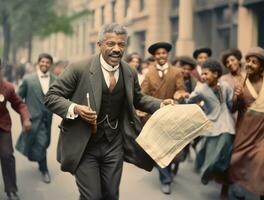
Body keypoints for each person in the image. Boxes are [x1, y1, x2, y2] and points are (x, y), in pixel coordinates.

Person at [44, 23, 173, 200]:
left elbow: (138, 98)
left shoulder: (129, 72)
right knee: (93, 196)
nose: (116, 49)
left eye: (121, 44)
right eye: (111, 44)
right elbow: (51, 96)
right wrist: (75, 108)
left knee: (111, 195)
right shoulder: (79, 68)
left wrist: (160, 104)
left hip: (114, 144)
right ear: (99, 45)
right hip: (84, 144)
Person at [178, 59, 235, 199]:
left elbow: (229, 104)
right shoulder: (200, 89)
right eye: (202, 74)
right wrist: (182, 96)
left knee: (224, 150)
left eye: (206, 73)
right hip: (211, 124)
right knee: (205, 152)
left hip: (226, 122)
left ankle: (222, 182)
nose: (202, 76)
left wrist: (237, 99)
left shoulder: (225, 86)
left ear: (216, 74)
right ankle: (206, 172)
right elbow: (189, 101)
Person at [141, 42, 187, 195]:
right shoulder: (149, 73)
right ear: (154, 56)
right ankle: (165, 180)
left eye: (163, 53)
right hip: (154, 116)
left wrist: (179, 95)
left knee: (173, 148)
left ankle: (171, 166)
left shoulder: (176, 71)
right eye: (158, 54)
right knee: (159, 150)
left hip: (172, 116)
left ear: (167, 55)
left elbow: (181, 89)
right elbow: (143, 94)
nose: (161, 56)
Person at [229, 47, 264, 200]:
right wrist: (237, 98)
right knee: (237, 161)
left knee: (261, 161)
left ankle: (263, 192)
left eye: (254, 62)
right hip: (244, 131)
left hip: (263, 132)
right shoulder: (240, 82)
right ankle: (237, 190)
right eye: (248, 61)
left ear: (262, 67)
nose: (249, 64)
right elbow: (233, 108)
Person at [16, 53, 56, 184]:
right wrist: (25, 116)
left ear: (51, 64)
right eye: (42, 62)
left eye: (47, 62)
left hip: (47, 120)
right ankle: (45, 171)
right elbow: (18, 100)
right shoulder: (28, 79)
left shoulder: (56, 80)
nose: (45, 64)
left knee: (44, 143)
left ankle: (40, 163)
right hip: (33, 119)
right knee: (41, 144)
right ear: (38, 63)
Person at [0, 58, 32, 200]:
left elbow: (20, 105)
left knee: (7, 156)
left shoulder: (7, 87)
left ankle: (11, 189)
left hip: (3, 126)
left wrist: (25, 118)